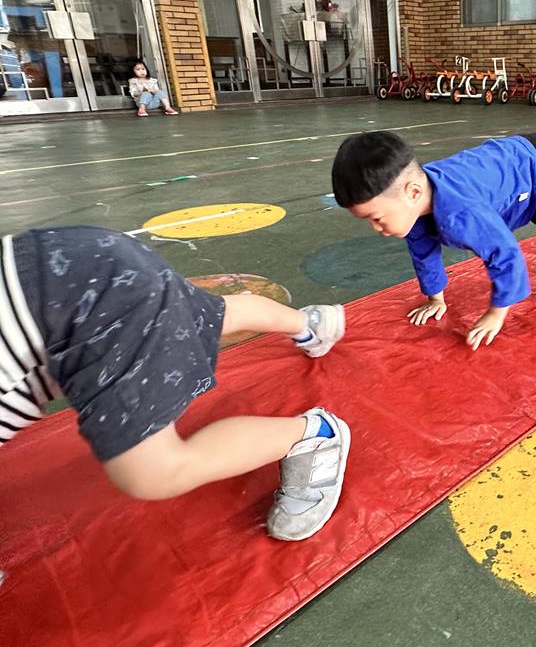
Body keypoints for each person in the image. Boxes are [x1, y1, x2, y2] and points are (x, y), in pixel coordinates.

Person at [0, 226, 349, 541]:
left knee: (152, 471)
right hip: (70, 254)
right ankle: (310, 324)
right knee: (209, 314)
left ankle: (314, 437)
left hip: (92, 307)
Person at [331, 131, 536, 349]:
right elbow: (423, 253)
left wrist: (496, 312)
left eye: (377, 217)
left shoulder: (461, 213)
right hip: (514, 181)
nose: (376, 228)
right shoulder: (415, 204)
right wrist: (436, 299)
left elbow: (505, 254)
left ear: (413, 192)